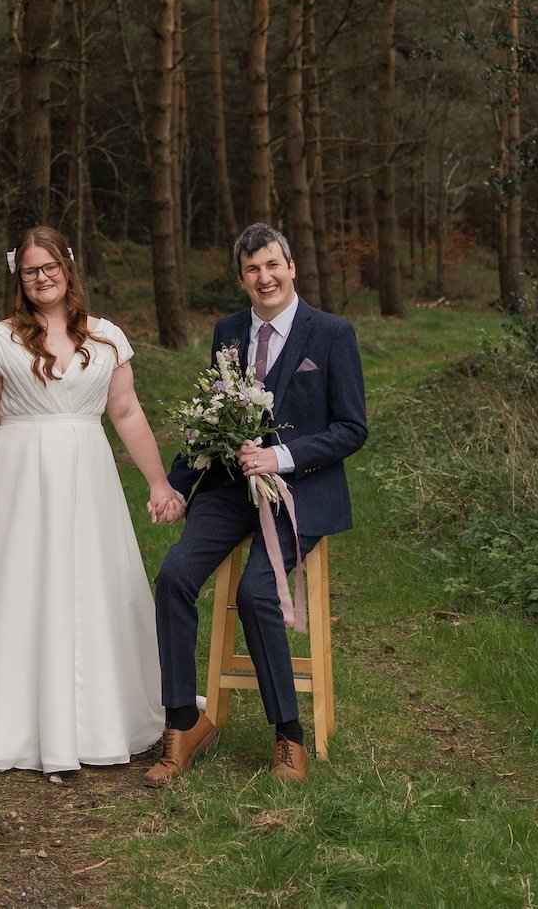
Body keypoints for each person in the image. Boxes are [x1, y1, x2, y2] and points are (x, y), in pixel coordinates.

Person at [0, 226, 187, 773]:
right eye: (30, 271)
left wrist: (158, 482)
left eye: (49, 267)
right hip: (18, 478)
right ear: (18, 277)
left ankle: (98, 717)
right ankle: (15, 718)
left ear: (67, 268)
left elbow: (127, 412)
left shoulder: (106, 337)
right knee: (21, 584)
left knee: (93, 583)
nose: (41, 278)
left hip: (87, 476)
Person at [145, 223, 367, 786]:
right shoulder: (227, 332)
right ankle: (183, 723)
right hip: (228, 491)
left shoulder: (332, 334)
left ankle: (289, 736)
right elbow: (212, 421)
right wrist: (176, 487)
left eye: (272, 265)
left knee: (255, 592)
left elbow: (352, 428)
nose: (264, 277)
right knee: (172, 577)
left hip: (299, 492)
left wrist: (281, 457)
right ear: (241, 278)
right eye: (252, 270)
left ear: (291, 267)